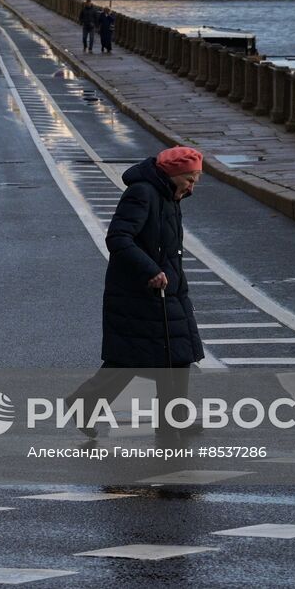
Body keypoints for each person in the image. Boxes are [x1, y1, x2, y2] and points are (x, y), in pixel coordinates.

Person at [68, 147, 205, 441]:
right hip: (140, 290)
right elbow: (118, 237)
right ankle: (85, 405)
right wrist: (150, 270)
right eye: (190, 179)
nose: (193, 186)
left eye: (195, 180)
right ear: (172, 174)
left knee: (174, 355)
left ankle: (173, 419)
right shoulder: (143, 193)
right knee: (136, 357)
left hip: (167, 288)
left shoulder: (170, 194)